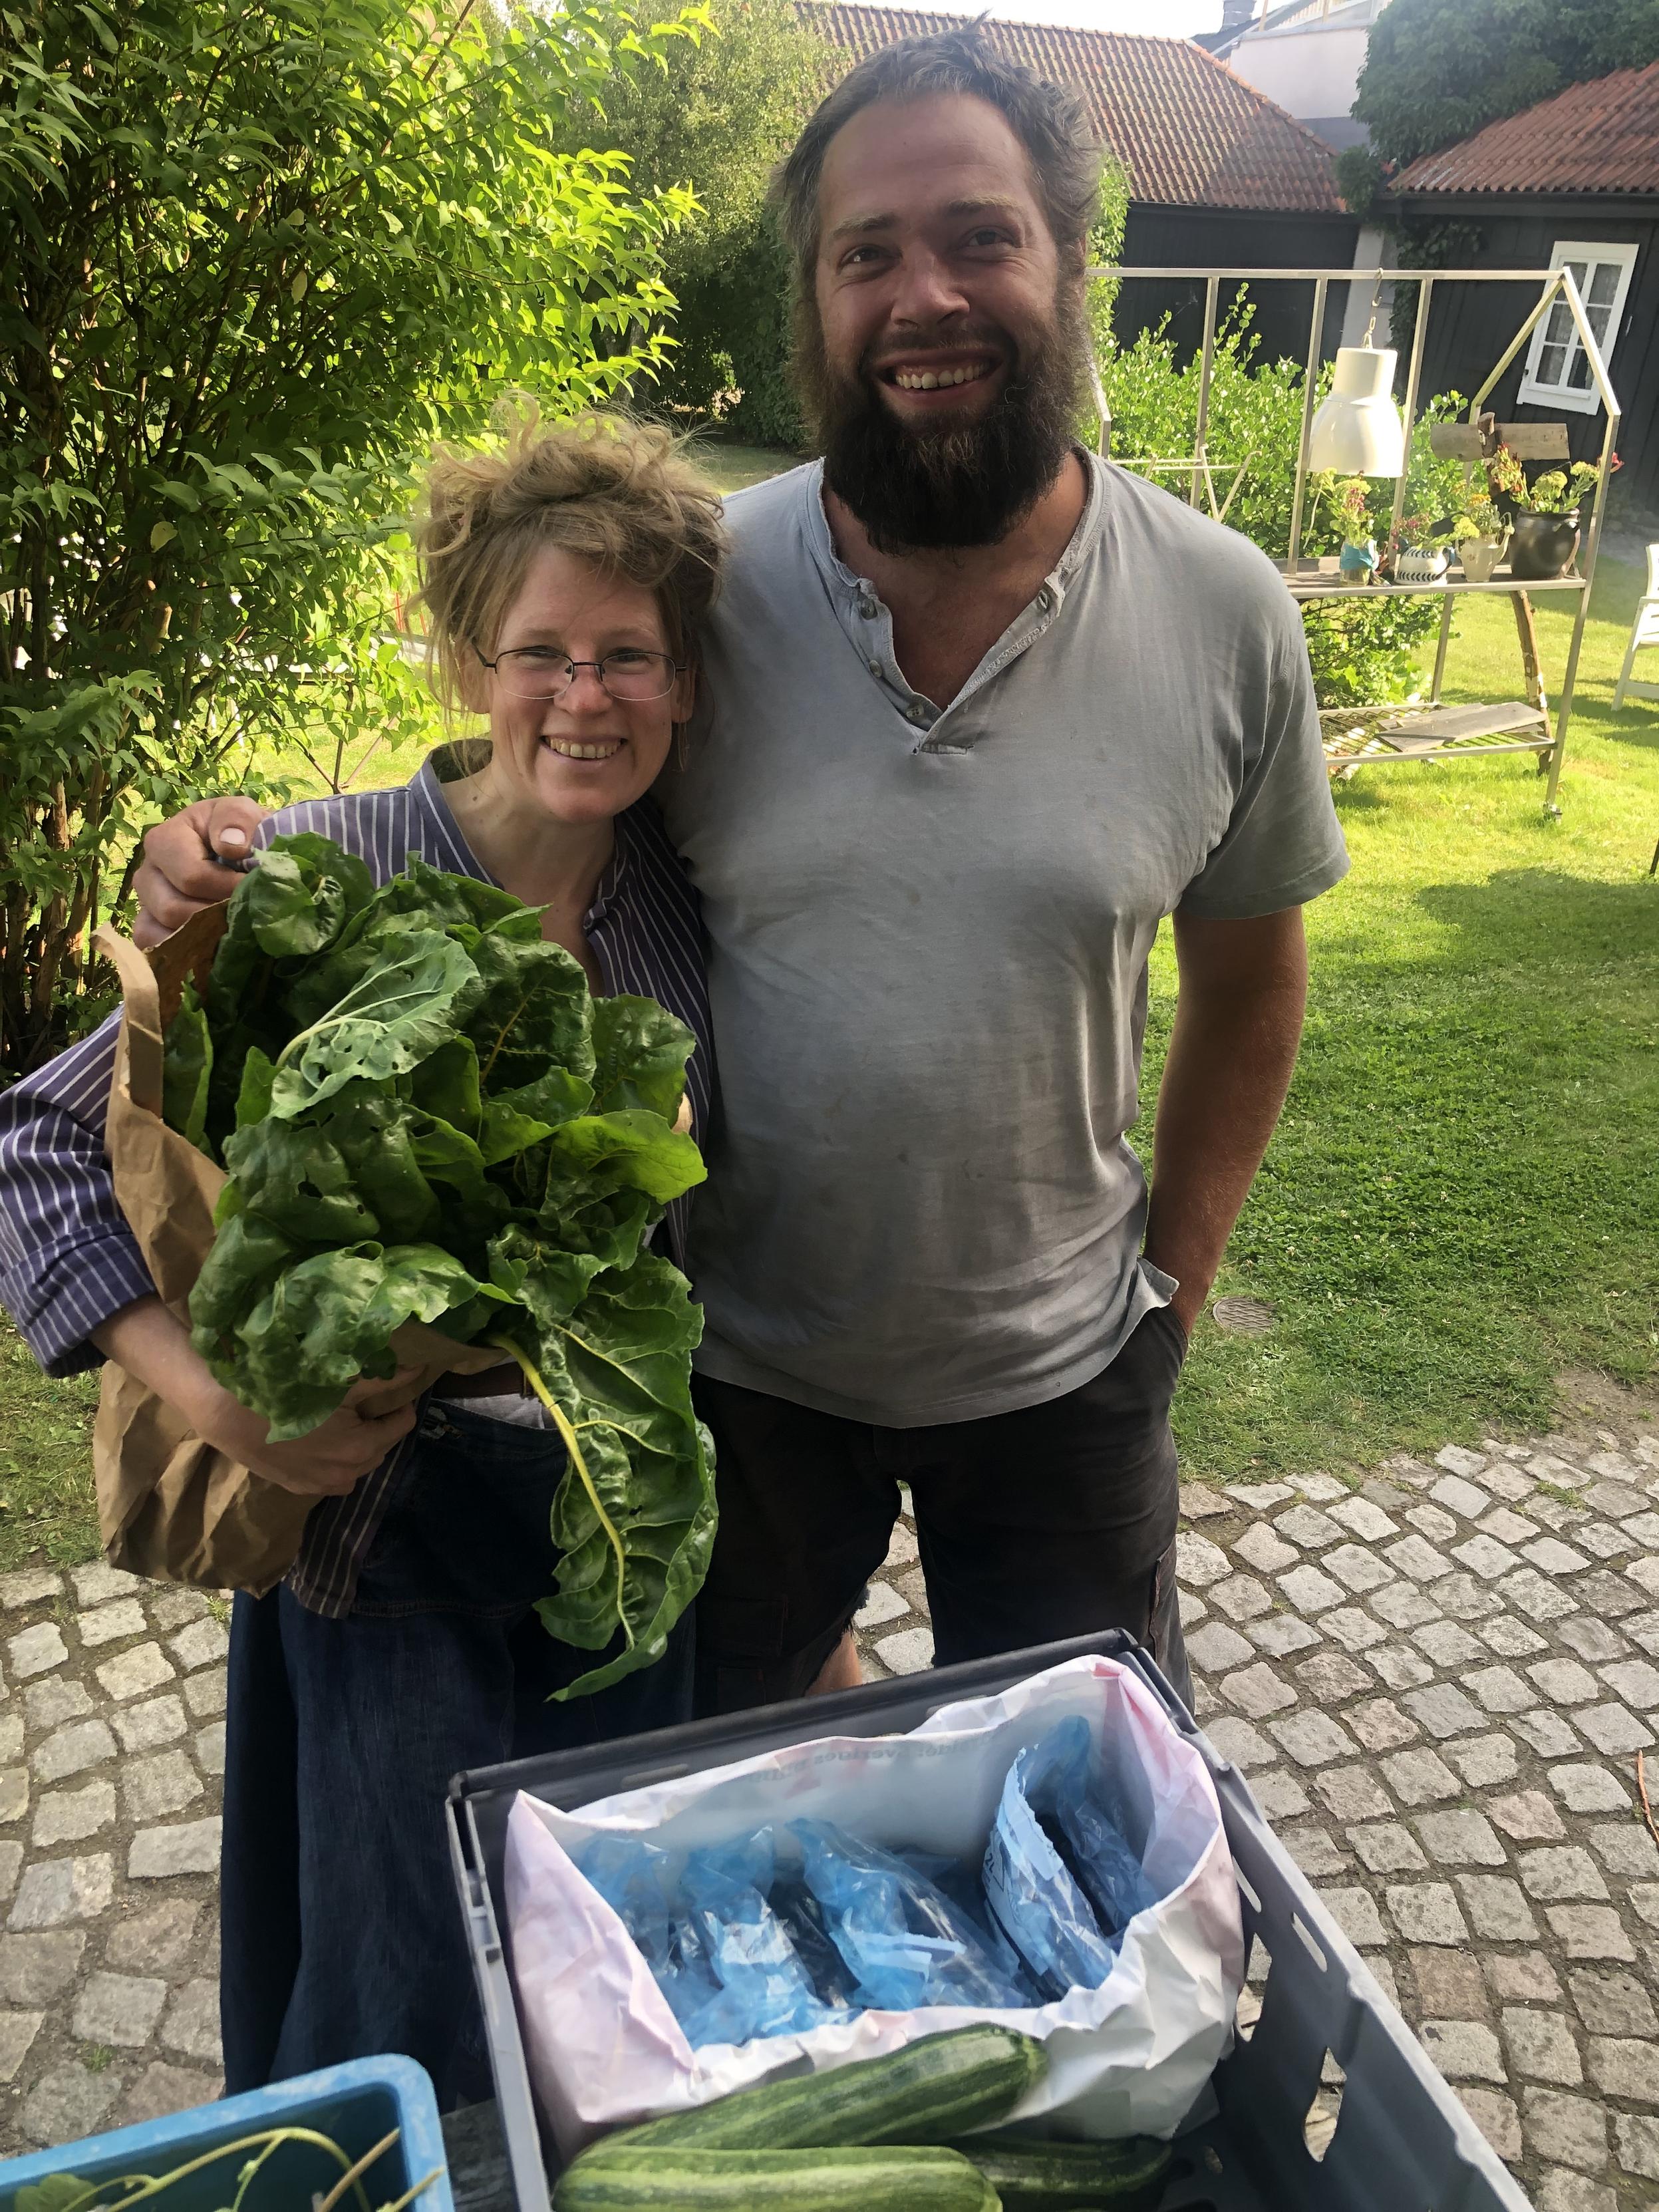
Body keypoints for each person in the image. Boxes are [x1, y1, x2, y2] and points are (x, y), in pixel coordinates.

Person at [133, 30, 1348, 1722]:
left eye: (979, 237)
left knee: (1084, 1807)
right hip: (730, 1372)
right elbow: (523, 795)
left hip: (1067, 1372)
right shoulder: (706, 587)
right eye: (867, 254)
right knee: (727, 1796)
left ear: (1070, 260)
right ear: (813, 299)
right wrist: (242, 855)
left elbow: (1251, 979)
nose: (924, 296)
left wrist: (1171, 1299)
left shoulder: (1225, 610)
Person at [0, 412, 723, 2103]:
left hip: (613, 1529)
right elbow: (33, 1150)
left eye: (628, 654)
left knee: (603, 1964)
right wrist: (221, 1403)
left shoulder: (689, 900)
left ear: (684, 682)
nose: (584, 696)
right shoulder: (320, 872)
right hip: (374, 1541)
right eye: (539, 651)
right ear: (471, 661)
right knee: (392, 1985)